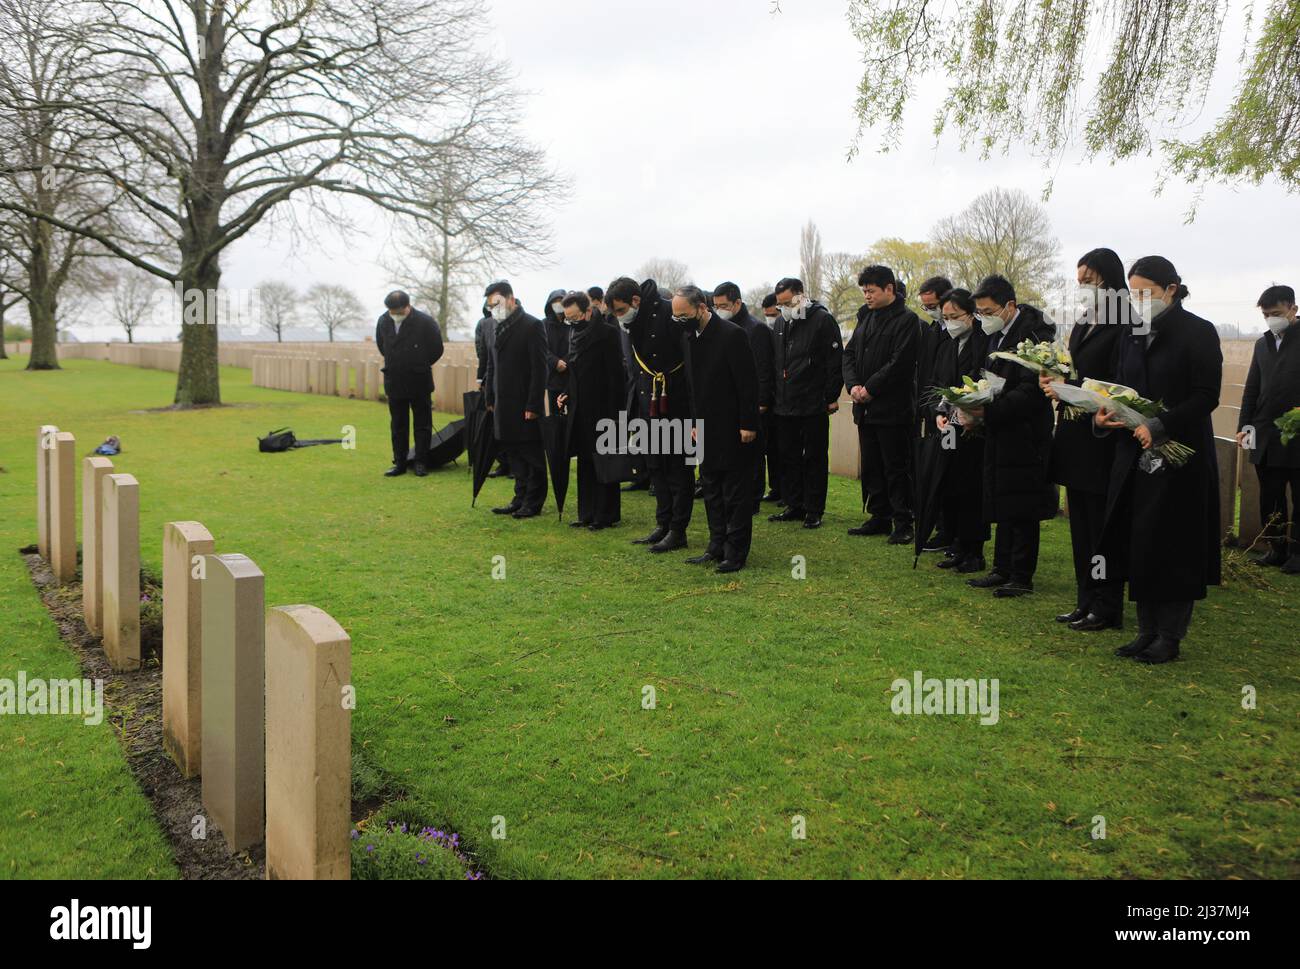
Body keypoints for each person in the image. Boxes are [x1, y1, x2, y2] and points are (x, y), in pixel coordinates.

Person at [1096, 256, 1222, 664]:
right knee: (1139, 540)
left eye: (1146, 292)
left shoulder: (1198, 332)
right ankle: (1145, 630)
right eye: (1135, 293)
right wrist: (1107, 414)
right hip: (1133, 449)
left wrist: (1162, 425)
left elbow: (1206, 395)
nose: (1140, 300)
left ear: (1171, 289)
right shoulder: (1133, 333)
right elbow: (1121, 387)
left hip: (1177, 454)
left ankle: (1169, 635)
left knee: (1173, 543)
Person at [1040, 249, 1130, 631]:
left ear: (1110, 279)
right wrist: (1054, 381)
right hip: (1076, 435)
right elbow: (1075, 368)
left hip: (1104, 437)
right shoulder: (1083, 322)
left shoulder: (1128, 322)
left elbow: (1117, 381)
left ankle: (1107, 604)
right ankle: (1084, 598)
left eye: (1090, 282)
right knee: (1081, 527)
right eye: (1079, 282)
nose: (1084, 289)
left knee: (1101, 527)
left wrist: (1069, 387)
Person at [960, 274, 1057, 598]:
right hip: (999, 430)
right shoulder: (995, 337)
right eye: (980, 313)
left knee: (1023, 504)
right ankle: (1001, 568)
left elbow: (1031, 391)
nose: (983, 318)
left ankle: (1020, 573)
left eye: (988, 311)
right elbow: (986, 377)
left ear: (1009, 306)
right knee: (1000, 498)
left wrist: (989, 411)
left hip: (1025, 433)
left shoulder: (1034, 338)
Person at [675, 286, 761, 573]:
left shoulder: (732, 335)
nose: (680, 321)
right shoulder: (688, 338)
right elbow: (690, 387)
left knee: (734, 493)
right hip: (703, 428)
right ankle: (716, 545)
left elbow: (748, 384)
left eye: (684, 315)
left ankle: (735, 552)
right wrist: (692, 423)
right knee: (710, 489)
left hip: (733, 427)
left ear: (702, 307)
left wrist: (748, 423)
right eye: (676, 317)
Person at [608, 276, 694, 551]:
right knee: (655, 466)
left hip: (675, 402)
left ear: (635, 301)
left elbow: (690, 361)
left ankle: (678, 530)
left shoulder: (669, 313)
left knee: (678, 470)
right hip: (648, 402)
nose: (619, 317)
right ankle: (663, 523)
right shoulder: (631, 323)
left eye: (621, 310)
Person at [844, 265, 920, 544]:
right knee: (872, 465)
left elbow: (899, 363)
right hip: (864, 408)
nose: (867, 296)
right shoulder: (865, 318)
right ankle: (879, 515)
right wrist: (853, 385)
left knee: (896, 467)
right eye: (864, 291)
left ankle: (903, 521)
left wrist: (871, 389)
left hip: (892, 408)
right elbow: (849, 354)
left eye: (871, 291)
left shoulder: (907, 320)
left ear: (889, 289)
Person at [770, 277, 843, 529]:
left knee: (813, 457)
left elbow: (835, 362)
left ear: (801, 295)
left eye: (789, 302)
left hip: (813, 403)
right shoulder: (781, 322)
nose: (785, 308)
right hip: (784, 403)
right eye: (781, 304)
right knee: (788, 456)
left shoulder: (822, 320)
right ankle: (794, 503)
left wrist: (831, 397)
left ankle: (814, 508)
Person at [1238, 284, 1300, 572]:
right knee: (1270, 495)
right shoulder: (1262, 344)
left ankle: (1298, 553)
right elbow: (1252, 389)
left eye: (1276, 313)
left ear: (1293, 310)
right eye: (1266, 315)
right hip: (1265, 432)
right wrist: (1244, 426)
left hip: (1296, 432)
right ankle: (1276, 548)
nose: (1271, 319)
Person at [929, 289, 990, 572]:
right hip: (950, 424)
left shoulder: (983, 342)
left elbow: (983, 382)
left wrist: (971, 412)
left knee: (971, 489)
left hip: (974, 427)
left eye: (956, 316)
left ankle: (974, 550)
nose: (951, 322)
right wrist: (940, 413)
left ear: (971, 314)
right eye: (946, 317)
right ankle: (954, 543)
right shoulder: (946, 343)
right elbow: (939, 382)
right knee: (950, 484)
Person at [557, 291, 624, 531]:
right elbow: (574, 372)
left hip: (603, 409)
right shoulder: (574, 334)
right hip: (579, 408)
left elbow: (617, 376)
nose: (571, 322)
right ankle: (586, 512)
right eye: (568, 319)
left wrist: (617, 415)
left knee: (604, 462)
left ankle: (605, 514)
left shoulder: (608, 334)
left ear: (588, 311)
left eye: (575, 317)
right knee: (585, 462)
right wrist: (566, 393)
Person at [482, 280, 549, 518]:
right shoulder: (490, 326)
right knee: (513, 454)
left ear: (511, 299)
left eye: (498, 303)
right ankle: (519, 498)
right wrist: (489, 396)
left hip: (524, 402)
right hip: (502, 402)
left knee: (531, 454)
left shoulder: (531, 325)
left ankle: (533, 502)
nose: (494, 308)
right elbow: (491, 364)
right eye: (490, 305)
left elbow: (539, 368)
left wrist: (533, 404)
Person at [712, 282, 775, 514]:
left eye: (724, 305)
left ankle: (753, 497)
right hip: (729, 403)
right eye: (716, 306)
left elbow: (762, 368)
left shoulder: (754, 328)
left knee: (754, 454)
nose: (720, 310)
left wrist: (761, 401)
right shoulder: (720, 327)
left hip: (753, 401)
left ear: (737, 303)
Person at [376, 291, 444, 478]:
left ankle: (421, 461)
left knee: (422, 424)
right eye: (392, 311)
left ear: (407, 307)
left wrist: (419, 363)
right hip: (394, 378)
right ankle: (400, 462)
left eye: (398, 311)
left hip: (418, 379)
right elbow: (382, 345)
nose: (395, 314)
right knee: (398, 424)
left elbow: (436, 348)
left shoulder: (425, 322)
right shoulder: (383, 321)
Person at [916, 275, 955, 553]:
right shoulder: (932, 330)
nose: (931, 311)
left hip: (952, 412)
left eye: (934, 305)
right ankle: (940, 527)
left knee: (951, 476)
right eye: (925, 307)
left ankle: (951, 532)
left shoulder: (958, 331)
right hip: (932, 411)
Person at [475, 300, 510, 479]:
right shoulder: (485, 324)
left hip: (510, 385)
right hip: (492, 380)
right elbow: (483, 351)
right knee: (495, 425)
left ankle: (513, 464)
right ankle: (503, 462)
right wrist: (481, 378)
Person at [760, 293, 784, 504]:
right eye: (766, 315)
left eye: (773, 314)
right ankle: (776, 487)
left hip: (784, 398)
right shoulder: (764, 332)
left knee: (784, 447)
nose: (770, 318)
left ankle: (787, 489)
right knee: (771, 448)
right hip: (771, 399)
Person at [542, 288, 572, 415]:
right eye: (555, 301)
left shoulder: (572, 323)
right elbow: (542, 348)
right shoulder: (543, 324)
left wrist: (565, 361)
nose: (558, 304)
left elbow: (576, 346)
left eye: (561, 301)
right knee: (554, 416)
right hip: (552, 376)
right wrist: (555, 362)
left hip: (570, 374)